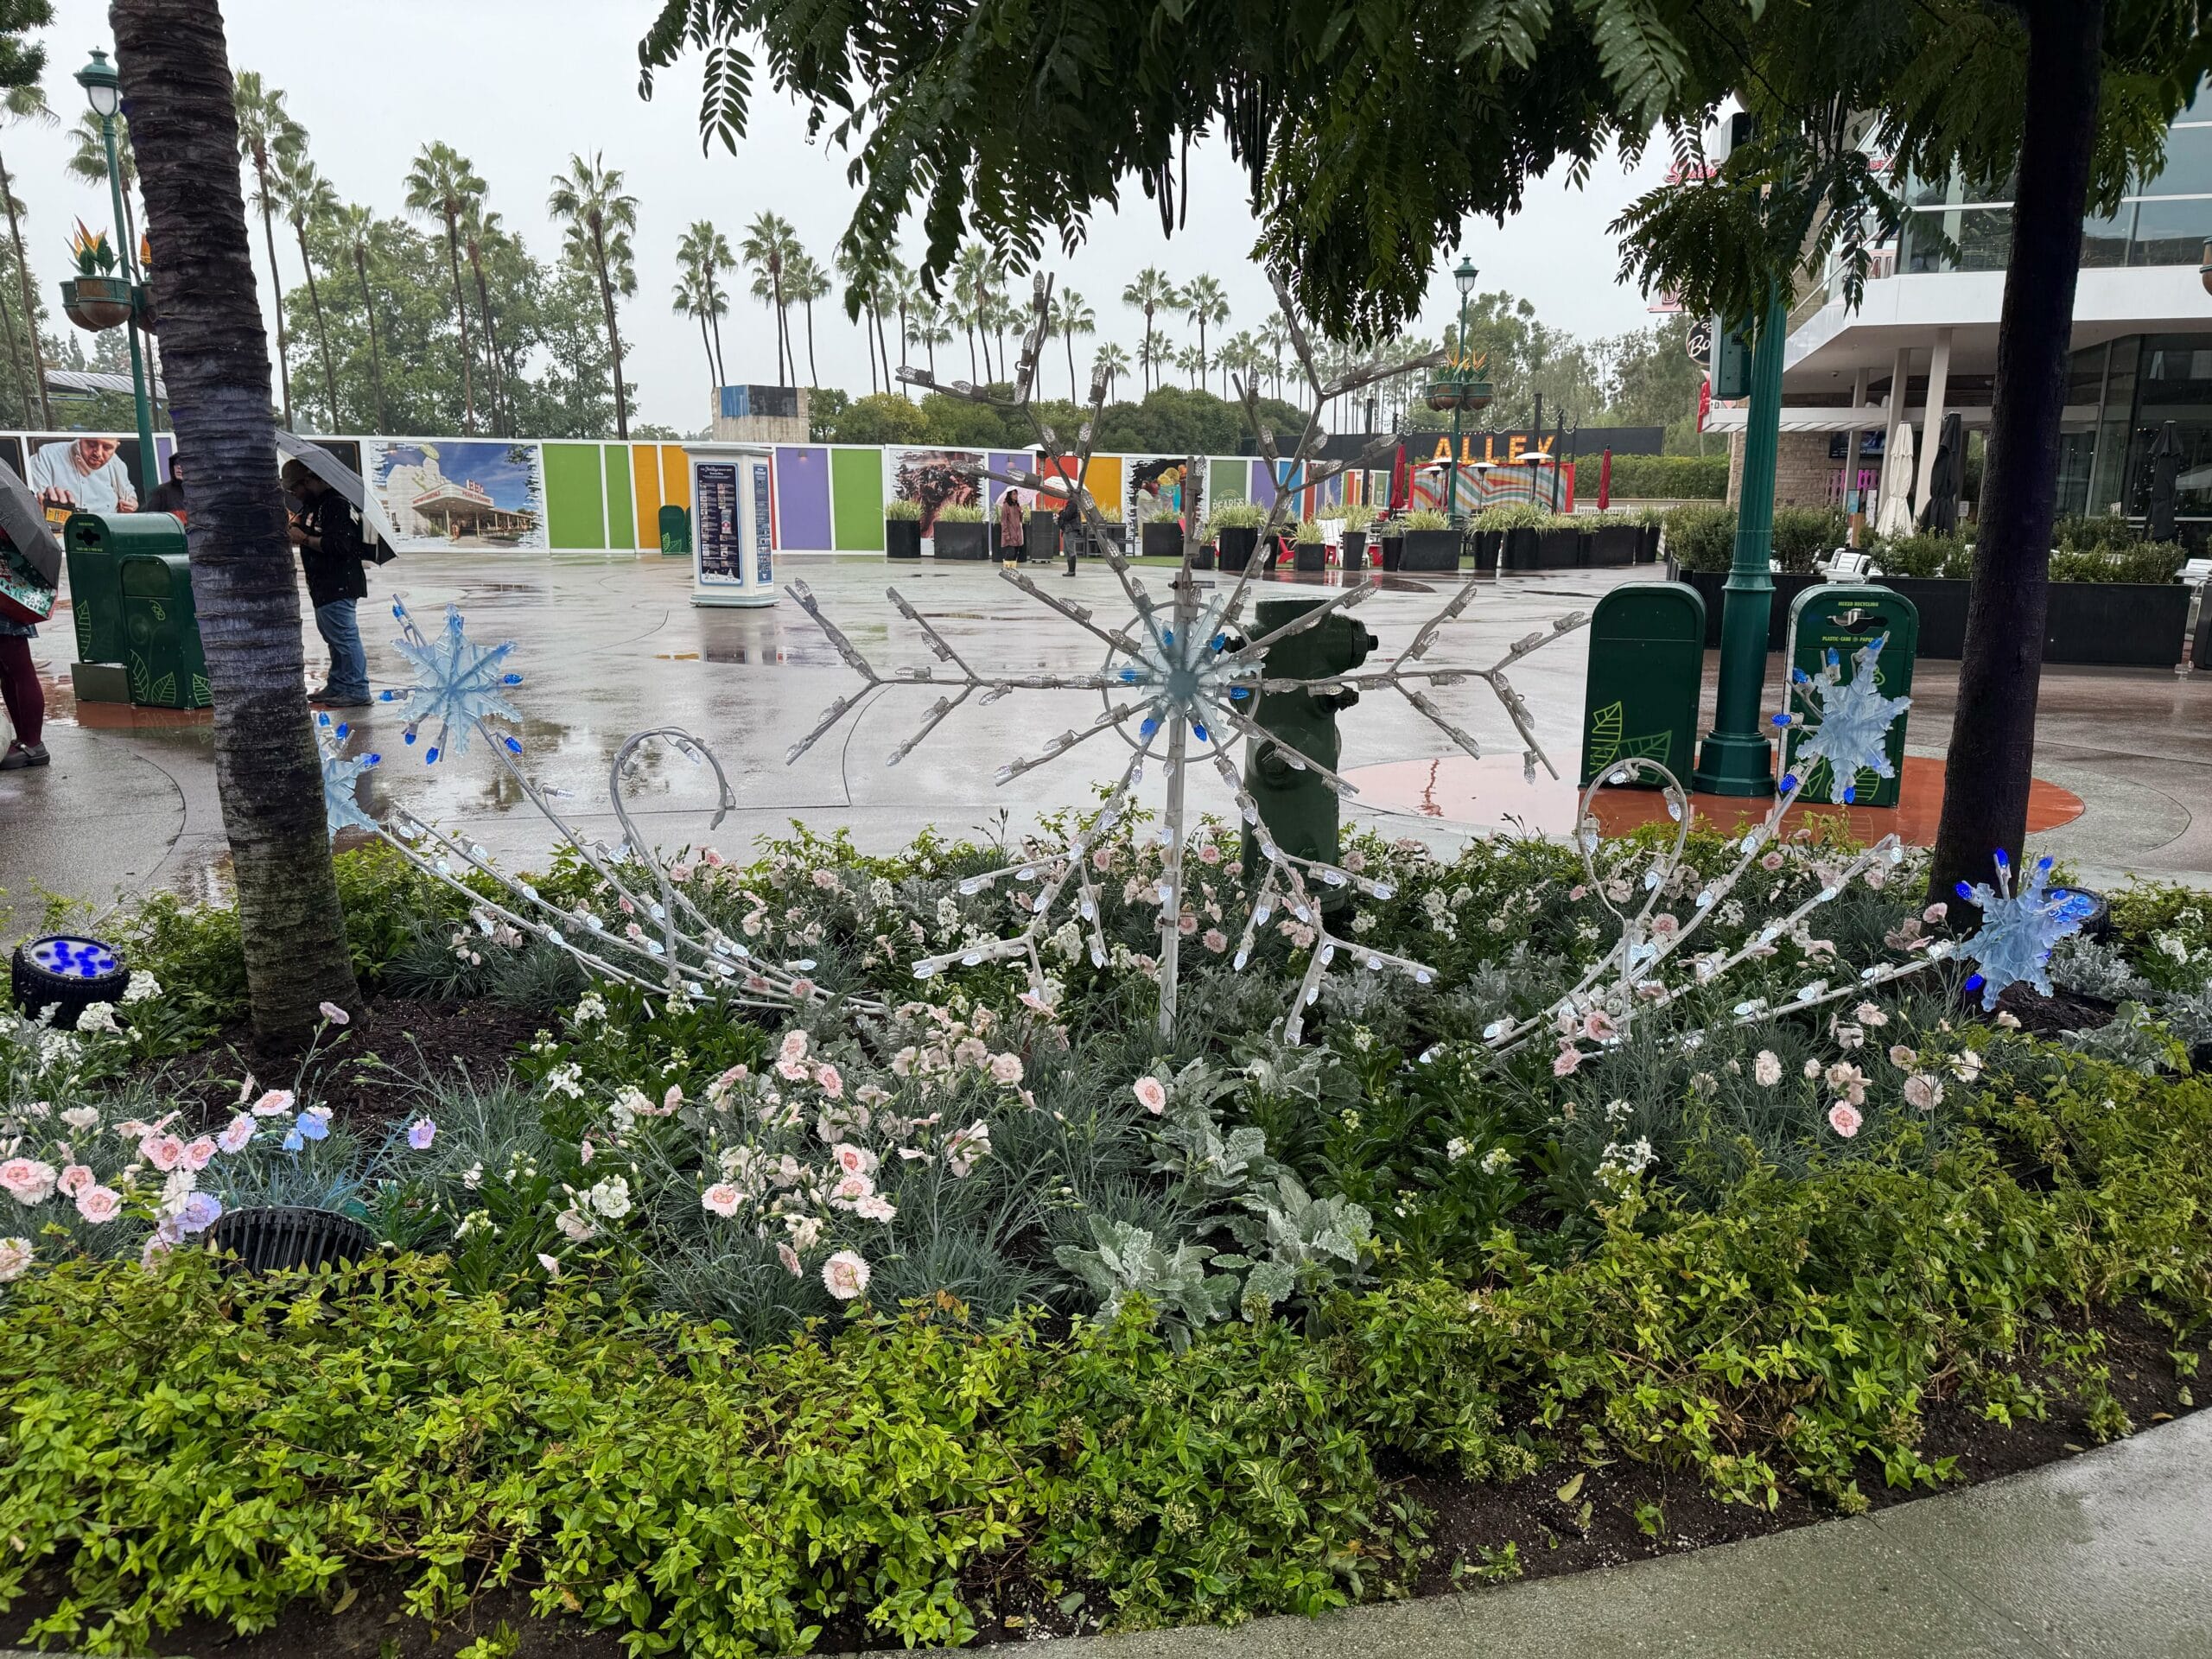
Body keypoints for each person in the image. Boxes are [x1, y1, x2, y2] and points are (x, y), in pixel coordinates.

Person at [283, 458, 372, 708]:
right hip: (323, 584)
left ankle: (356, 687)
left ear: (309, 481)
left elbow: (341, 545)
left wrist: (304, 539)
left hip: (339, 582)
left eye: (295, 489)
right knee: (333, 635)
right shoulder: (313, 505)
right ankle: (340, 682)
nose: (294, 495)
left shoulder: (336, 505)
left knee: (344, 636)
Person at [29, 435, 137, 513]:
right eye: (92, 444)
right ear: (80, 439)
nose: (98, 453)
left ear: (116, 446)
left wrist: (131, 505)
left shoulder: (116, 463)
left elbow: (130, 495)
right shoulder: (47, 455)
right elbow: (34, 505)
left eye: (107, 448)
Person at [0, 608, 44, 769]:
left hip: (6, 596)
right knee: (6, 671)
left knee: (19, 669)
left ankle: (32, 742)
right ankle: (23, 741)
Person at [143, 450, 187, 516]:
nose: (179, 467)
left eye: (182, 463)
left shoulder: (201, 495)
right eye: (176, 463)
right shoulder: (161, 492)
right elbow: (150, 520)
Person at [997, 486, 1027, 568]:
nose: (1016, 495)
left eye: (1016, 494)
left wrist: (1021, 513)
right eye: (1014, 494)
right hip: (1010, 534)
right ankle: (1007, 568)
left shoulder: (1017, 506)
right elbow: (1003, 521)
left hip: (1017, 534)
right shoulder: (1006, 506)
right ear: (1010, 495)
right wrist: (1006, 534)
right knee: (1011, 552)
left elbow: (1020, 520)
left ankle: (1013, 569)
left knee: (1015, 554)